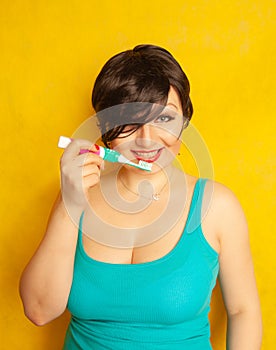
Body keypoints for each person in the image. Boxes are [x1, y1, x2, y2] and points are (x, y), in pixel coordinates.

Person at [19, 44, 262, 349]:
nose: (147, 139)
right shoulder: (77, 193)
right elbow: (39, 311)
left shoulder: (217, 207)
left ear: (185, 120)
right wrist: (70, 203)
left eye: (164, 119)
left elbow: (243, 310)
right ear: (106, 128)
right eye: (130, 121)